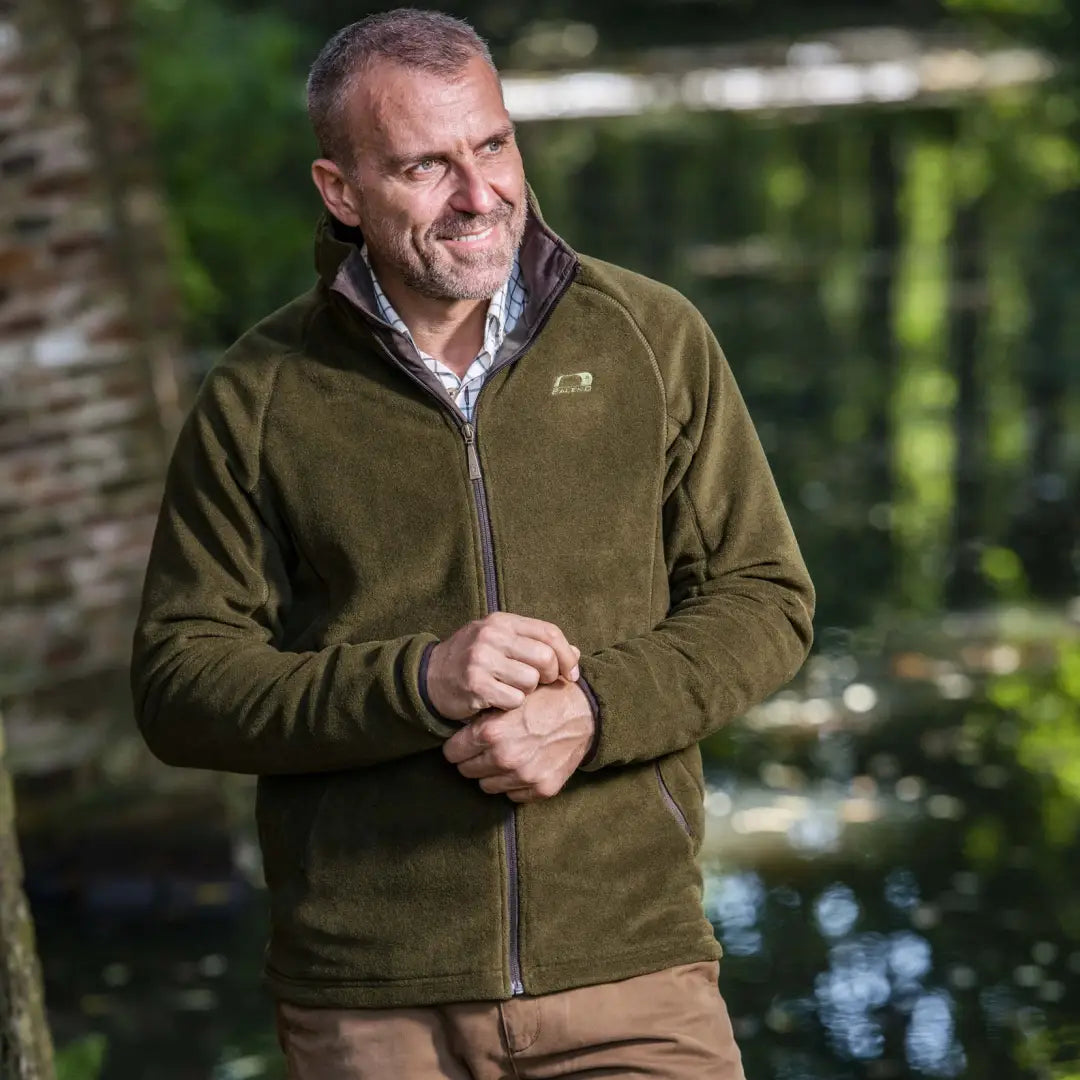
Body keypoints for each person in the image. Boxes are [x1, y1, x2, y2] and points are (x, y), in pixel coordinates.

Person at [130, 9, 815, 1078]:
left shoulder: (650, 336)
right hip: (369, 1003)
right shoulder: (261, 394)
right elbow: (179, 685)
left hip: (631, 976)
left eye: (492, 145)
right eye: (424, 166)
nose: (480, 193)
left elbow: (766, 598)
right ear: (340, 191)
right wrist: (417, 680)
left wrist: (596, 712)